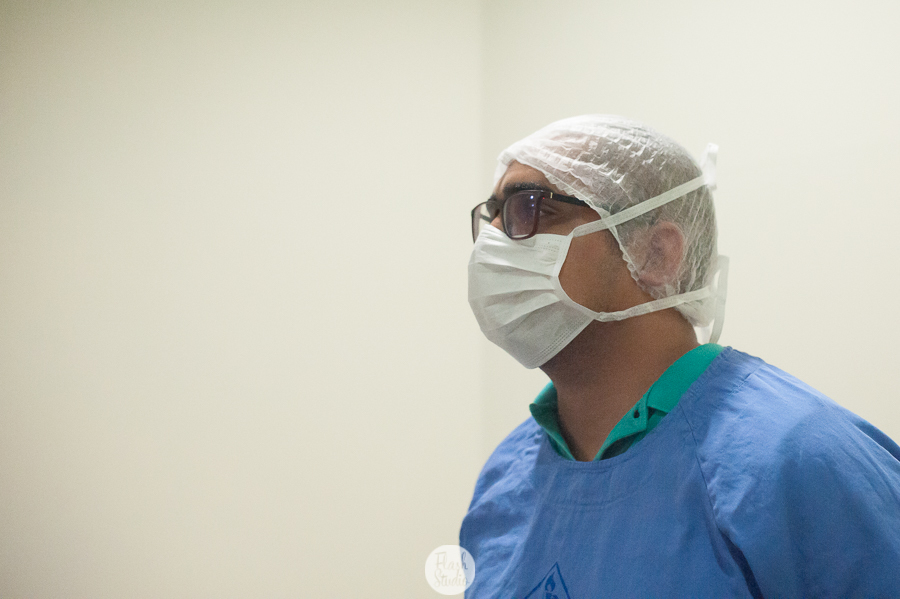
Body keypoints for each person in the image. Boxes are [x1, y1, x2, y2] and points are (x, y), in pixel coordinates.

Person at [460, 115, 900, 598]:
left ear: (656, 254)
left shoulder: (803, 459)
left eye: (529, 207)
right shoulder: (505, 477)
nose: (494, 242)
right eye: (494, 216)